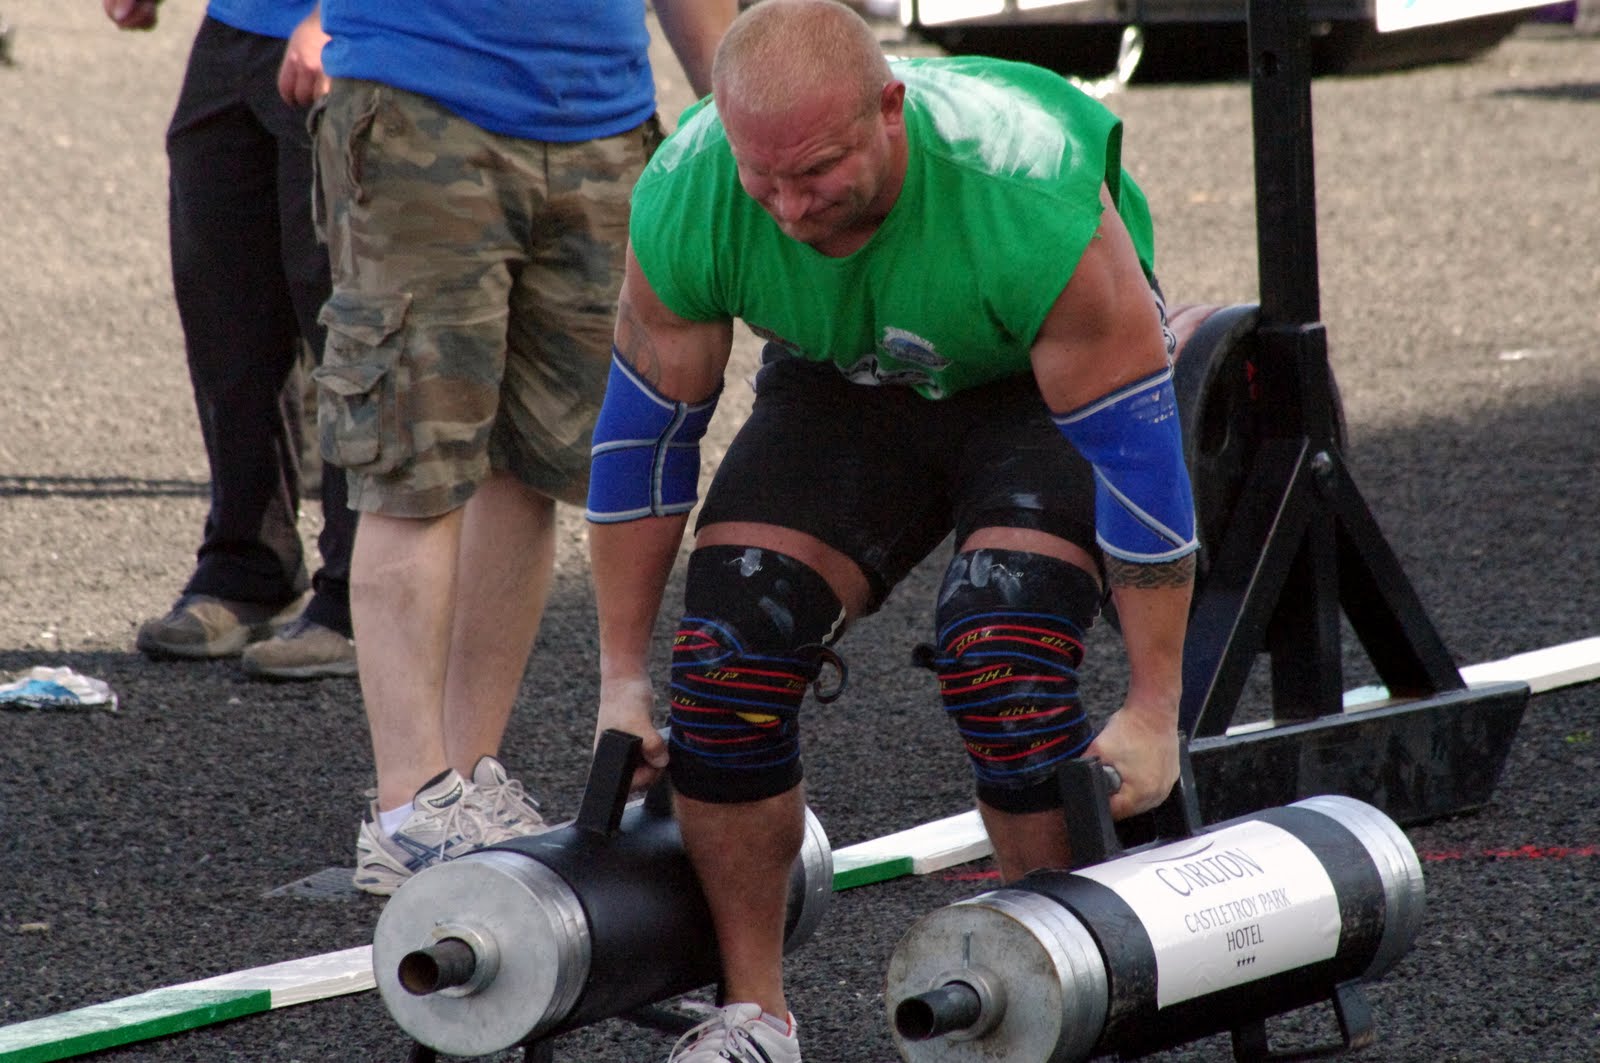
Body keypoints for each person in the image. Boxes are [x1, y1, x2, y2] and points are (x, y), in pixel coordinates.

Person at [585, 1, 1198, 1058]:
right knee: (725, 654)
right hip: (847, 377)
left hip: (1031, 387)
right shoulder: (690, 189)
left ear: (888, 109)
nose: (788, 208)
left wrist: (1154, 707)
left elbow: (1137, 466)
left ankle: (1056, 999)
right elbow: (644, 448)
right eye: (764, 178)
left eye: (817, 172)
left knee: (1001, 653)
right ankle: (754, 1014)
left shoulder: (1028, 194)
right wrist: (619, 678)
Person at [301, 0, 736, 895]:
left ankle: (467, 779)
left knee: (530, 463)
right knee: (411, 463)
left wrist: (735, 110)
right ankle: (408, 807)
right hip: (423, 102)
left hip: (604, 122)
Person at [109, 0, 360, 681]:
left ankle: (359, 596)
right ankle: (249, 564)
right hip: (238, 28)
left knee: (350, 323)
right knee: (226, 305)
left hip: (353, 38)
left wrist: (336, 14)